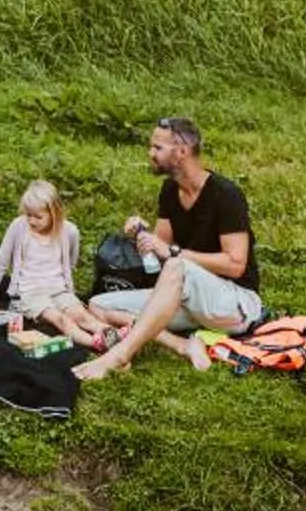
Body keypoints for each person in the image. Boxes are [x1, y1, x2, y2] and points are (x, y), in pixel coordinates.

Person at [74, 117, 263, 381]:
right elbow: (157, 254)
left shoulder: (226, 195)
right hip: (189, 300)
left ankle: (119, 356)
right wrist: (141, 235)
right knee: (98, 306)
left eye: (158, 148)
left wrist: (174, 254)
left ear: (182, 151)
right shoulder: (169, 190)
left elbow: (235, 264)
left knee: (177, 266)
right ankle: (183, 345)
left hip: (235, 303)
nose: (150, 154)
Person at [0, 179, 108, 352]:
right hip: (31, 292)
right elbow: (1, 259)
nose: (32, 221)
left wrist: (64, 282)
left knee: (82, 316)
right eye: (29, 215)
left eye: (38, 217)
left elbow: (71, 260)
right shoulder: (19, 227)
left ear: (53, 213)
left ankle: (115, 335)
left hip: (58, 289)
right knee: (62, 320)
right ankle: (95, 343)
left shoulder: (69, 231)